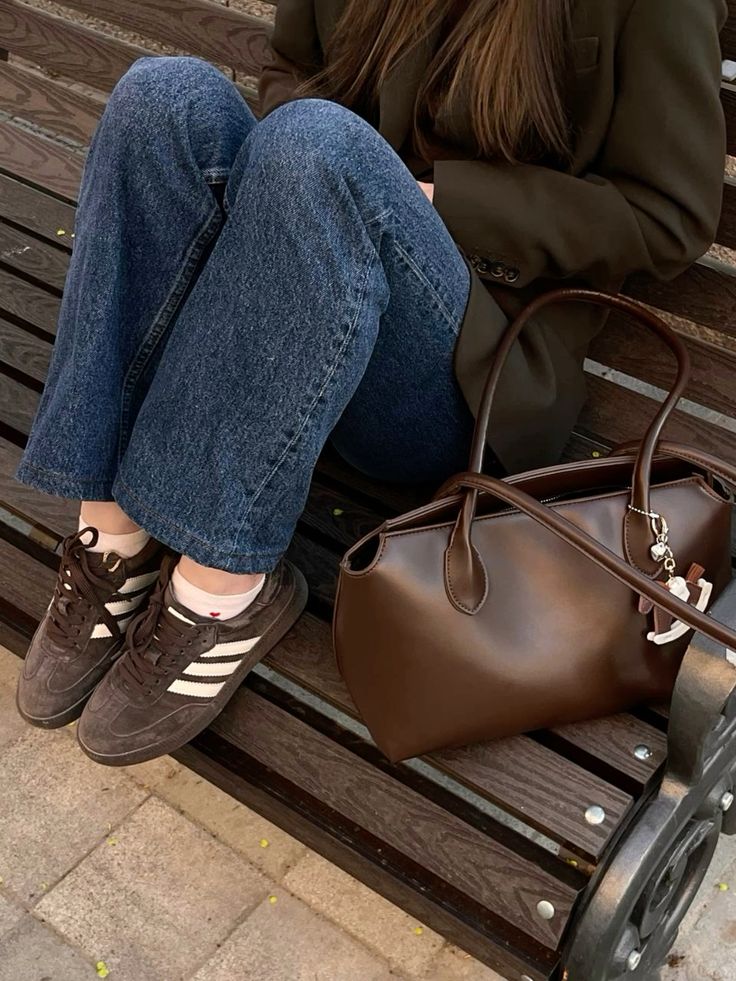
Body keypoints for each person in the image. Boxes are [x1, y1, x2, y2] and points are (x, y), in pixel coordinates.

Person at [14, 0, 726, 765]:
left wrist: (428, 201)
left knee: (319, 146)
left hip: (465, 372)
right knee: (164, 98)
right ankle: (114, 540)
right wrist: (303, 191)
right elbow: (293, 73)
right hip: (301, 298)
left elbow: (668, 216)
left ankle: (223, 591)